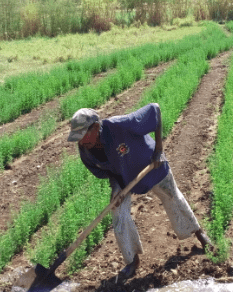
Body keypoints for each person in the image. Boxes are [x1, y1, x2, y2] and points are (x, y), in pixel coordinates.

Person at [68, 103, 214, 279]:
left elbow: (155, 109)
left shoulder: (119, 125)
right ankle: (132, 261)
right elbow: (106, 172)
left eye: (83, 136)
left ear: (96, 127)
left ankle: (199, 233)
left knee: (172, 196)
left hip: (152, 165)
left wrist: (159, 150)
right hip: (123, 178)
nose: (81, 142)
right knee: (118, 214)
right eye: (78, 138)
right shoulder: (86, 152)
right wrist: (116, 189)